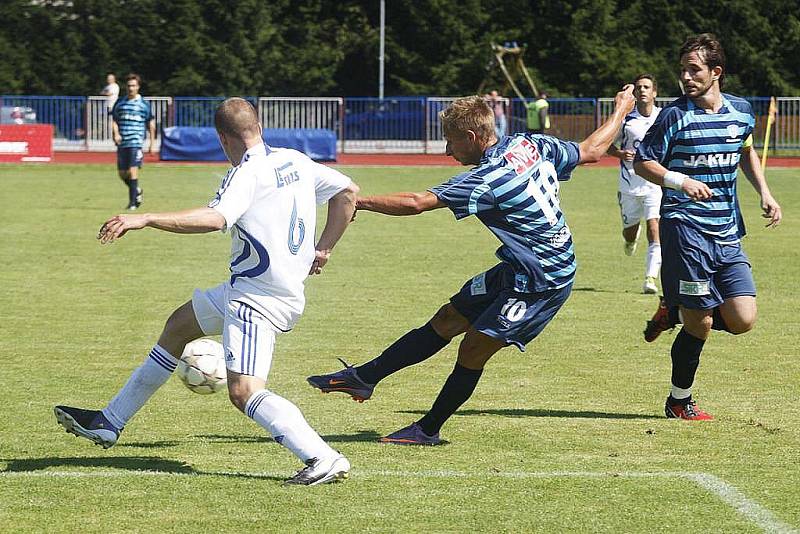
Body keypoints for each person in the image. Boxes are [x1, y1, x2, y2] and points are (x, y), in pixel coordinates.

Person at [54, 97, 360, 486]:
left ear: (222, 138)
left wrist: (146, 217)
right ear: (259, 127)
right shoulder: (294, 160)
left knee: (244, 391)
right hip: (249, 289)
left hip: (258, 298)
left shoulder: (245, 174)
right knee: (180, 325)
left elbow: (216, 218)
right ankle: (109, 422)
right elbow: (349, 192)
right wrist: (325, 247)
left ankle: (322, 457)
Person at [307, 86, 635, 445]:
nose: (448, 151)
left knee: (473, 347)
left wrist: (360, 202)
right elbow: (591, 150)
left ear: (471, 136)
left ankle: (427, 429)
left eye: (450, 142)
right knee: (448, 318)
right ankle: (364, 377)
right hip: (516, 268)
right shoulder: (530, 144)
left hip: (543, 279)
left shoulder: (487, 178)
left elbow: (417, 202)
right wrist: (620, 109)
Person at [634, 34, 782, 420]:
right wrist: (679, 181)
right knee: (699, 324)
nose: (686, 76)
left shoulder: (741, 111)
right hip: (684, 228)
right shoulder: (673, 115)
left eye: (694, 69)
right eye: (682, 69)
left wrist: (764, 192)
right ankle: (678, 401)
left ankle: (674, 306)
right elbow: (643, 162)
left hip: (727, 231)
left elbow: (745, 150)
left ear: (716, 72)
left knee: (742, 319)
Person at [607, 74, 663, 294]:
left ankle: (650, 278)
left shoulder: (664, 117)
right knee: (629, 233)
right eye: (638, 87)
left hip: (654, 184)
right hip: (629, 184)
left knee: (654, 227)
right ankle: (631, 238)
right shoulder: (626, 120)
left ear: (654, 92)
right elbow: (606, 145)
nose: (642, 90)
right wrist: (621, 153)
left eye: (647, 87)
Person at [110, 73, 155, 210]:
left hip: (136, 142)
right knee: (122, 174)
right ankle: (137, 190)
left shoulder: (144, 105)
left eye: (134, 86)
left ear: (138, 87)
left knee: (132, 170)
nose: (131, 88)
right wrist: (115, 133)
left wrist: (152, 144)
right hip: (122, 142)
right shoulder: (120, 103)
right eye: (129, 86)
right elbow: (114, 120)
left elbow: (151, 124)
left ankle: (132, 203)